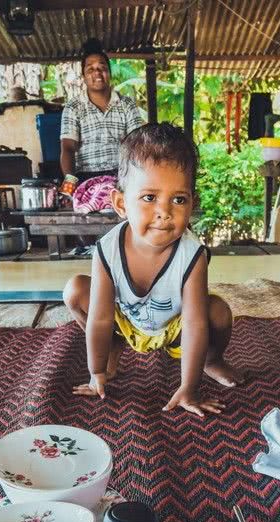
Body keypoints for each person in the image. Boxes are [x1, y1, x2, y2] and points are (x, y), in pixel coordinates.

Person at [64, 123, 243, 418]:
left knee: (218, 311)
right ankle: (114, 348)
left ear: (192, 204)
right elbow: (99, 316)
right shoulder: (107, 250)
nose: (165, 211)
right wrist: (95, 372)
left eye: (179, 199)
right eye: (149, 198)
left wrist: (189, 387)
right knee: (76, 290)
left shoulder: (192, 255)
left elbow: (196, 323)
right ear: (121, 203)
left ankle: (211, 360)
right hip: (126, 323)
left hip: (174, 330)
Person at [59, 40, 145, 183]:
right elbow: (68, 148)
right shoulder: (73, 107)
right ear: (84, 77)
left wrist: (137, 181)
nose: (97, 73)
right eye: (90, 69)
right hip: (85, 178)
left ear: (109, 73)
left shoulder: (127, 105)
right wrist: (70, 186)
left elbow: (136, 145)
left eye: (102, 68)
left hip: (122, 176)